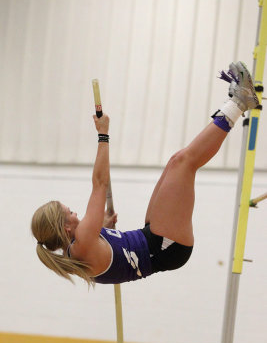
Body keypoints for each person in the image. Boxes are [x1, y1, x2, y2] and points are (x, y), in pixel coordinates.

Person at [31, 61, 259, 286]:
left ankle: (237, 102)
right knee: (184, 163)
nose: (74, 211)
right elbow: (100, 183)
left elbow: (111, 258)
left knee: (174, 161)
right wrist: (103, 134)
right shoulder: (82, 242)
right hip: (165, 246)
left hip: (152, 239)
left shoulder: (79, 249)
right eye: (69, 212)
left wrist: (106, 228)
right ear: (65, 228)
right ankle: (240, 101)